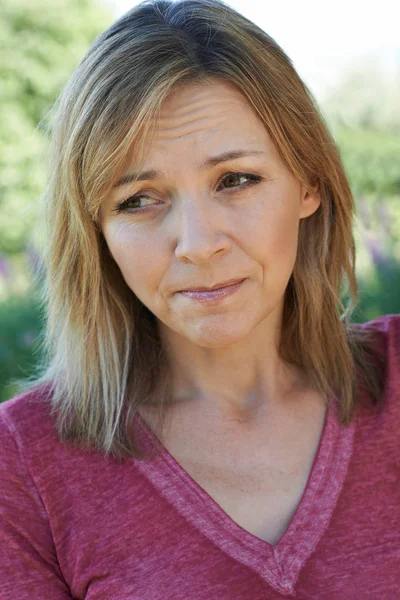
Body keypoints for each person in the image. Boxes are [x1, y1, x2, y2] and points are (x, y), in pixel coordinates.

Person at [0, 0, 399, 597]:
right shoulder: (24, 465)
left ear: (308, 183)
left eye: (235, 180)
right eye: (138, 199)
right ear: (97, 230)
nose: (198, 244)